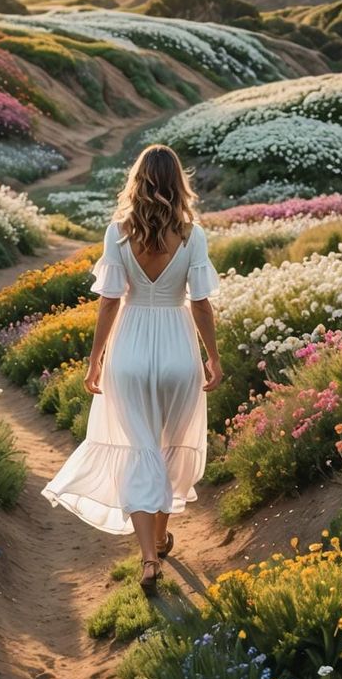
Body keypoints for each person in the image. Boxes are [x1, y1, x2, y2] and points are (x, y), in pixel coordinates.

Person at [41, 143, 221, 592]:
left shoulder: (118, 232)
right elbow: (200, 304)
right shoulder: (191, 234)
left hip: (131, 348)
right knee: (169, 446)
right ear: (179, 182)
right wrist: (212, 356)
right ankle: (161, 539)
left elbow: (108, 302)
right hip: (178, 350)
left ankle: (148, 557)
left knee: (140, 447)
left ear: (137, 181)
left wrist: (95, 359)